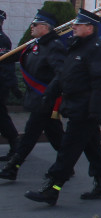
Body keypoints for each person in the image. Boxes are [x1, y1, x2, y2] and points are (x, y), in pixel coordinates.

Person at [26, 9, 101, 205]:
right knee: (92, 147)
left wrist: (95, 111)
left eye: (78, 25)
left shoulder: (96, 49)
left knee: (68, 150)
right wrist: (50, 93)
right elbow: (63, 74)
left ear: (89, 28)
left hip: (84, 109)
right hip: (75, 105)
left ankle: (52, 188)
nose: (73, 27)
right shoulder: (77, 47)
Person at [0, 9, 66, 180]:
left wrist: (49, 94)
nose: (32, 27)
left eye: (35, 24)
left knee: (30, 134)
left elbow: (60, 73)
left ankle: (12, 167)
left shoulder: (54, 46)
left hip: (45, 99)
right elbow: (13, 57)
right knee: (56, 136)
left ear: (46, 27)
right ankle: (66, 165)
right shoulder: (35, 44)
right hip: (38, 98)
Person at [0, 9, 20, 161]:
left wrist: (13, 86)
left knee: (1, 117)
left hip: (1, 85)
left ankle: (15, 145)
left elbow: (7, 65)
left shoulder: (2, 40)